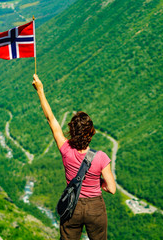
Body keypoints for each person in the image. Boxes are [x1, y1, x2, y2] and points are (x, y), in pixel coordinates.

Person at [32, 74, 116, 240]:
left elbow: (51, 119)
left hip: (72, 206)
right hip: (95, 208)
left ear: (71, 130)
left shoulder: (65, 149)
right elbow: (111, 189)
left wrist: (40, 90)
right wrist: (95, 182)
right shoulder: (101, 158)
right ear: (91, 133)